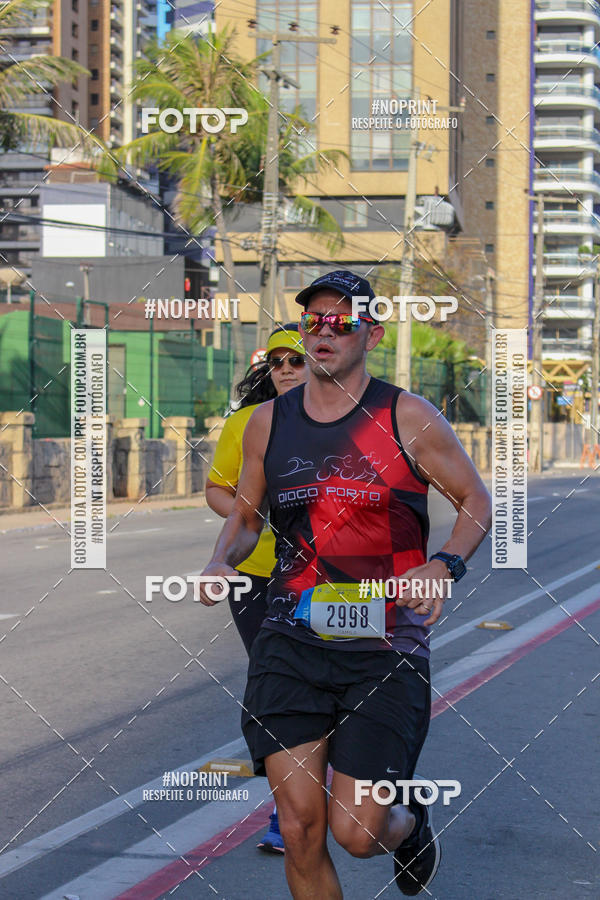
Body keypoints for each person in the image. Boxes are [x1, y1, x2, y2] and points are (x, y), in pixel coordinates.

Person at [199, 270, 492, 897]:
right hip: (290, 637)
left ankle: (407, 824)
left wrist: (444, 566)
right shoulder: (267, 423)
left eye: (342, 321)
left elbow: (474, 500)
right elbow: (247, 518)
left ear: (372, 334)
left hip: (384, 646)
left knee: (357, 830)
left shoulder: (404, 415)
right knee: (301, 827)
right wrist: (222, 559)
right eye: (314, 321)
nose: (324, 331)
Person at [204, 322, 307, 854]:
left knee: (329, 688)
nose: (287, 369)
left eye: (298, 360)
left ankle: (333, 791)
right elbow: (218, 491)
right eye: (278, 362)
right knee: (274, 688)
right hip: (258, 574)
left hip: (336, 581)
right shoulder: (247, 422)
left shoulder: (356, 419)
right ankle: (285, 810)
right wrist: (258, 517)